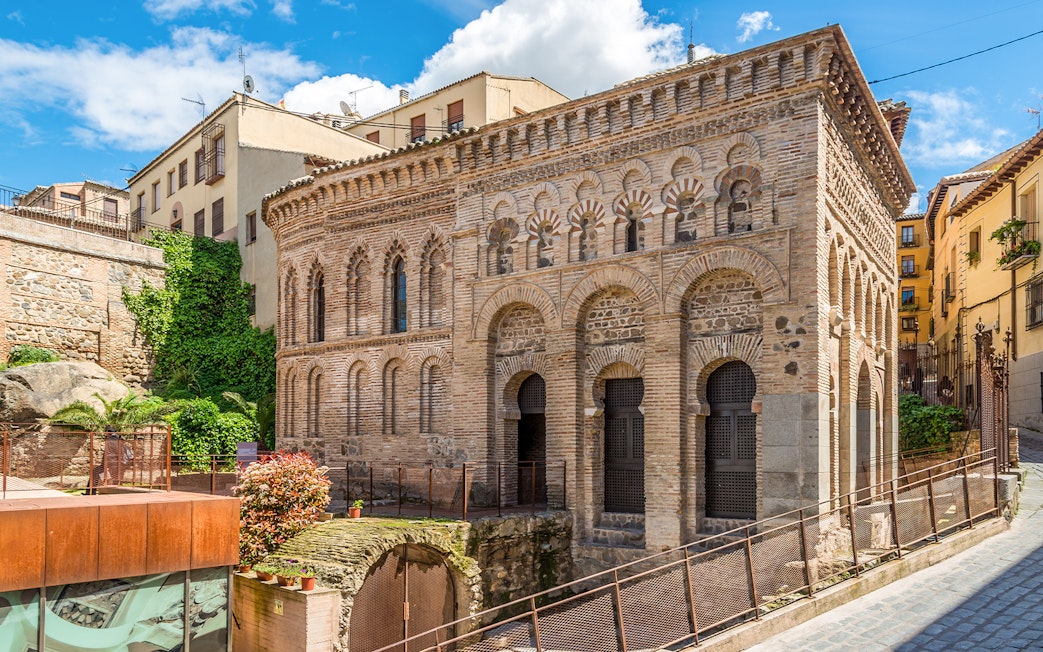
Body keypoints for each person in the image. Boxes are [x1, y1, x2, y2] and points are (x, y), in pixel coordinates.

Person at [88, 428, 133, 494]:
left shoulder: (110, 440)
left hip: (111, 463)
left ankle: (91, 492)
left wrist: (105, 464)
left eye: (106, 432)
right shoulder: (120, 439)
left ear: (108, 433)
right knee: (117, 479)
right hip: (120, 463)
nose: (105, 434)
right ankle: (91, 491)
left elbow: (109, 453)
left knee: (95, 473)